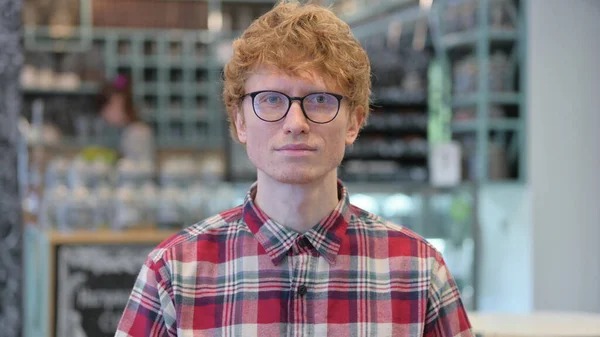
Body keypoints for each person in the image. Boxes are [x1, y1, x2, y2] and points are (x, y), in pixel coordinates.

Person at [116, 2, 473, 336]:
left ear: (354, 122)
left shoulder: (418, 273)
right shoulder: (174, 274)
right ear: (240, 121)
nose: (295, 122)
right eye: (271, 99)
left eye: (319, 100)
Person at [98, 74, 155, 162]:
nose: (104, 113)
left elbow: (135, 171)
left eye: (108, 106)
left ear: (121, 103)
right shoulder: (131, 130)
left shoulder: (137, 133)